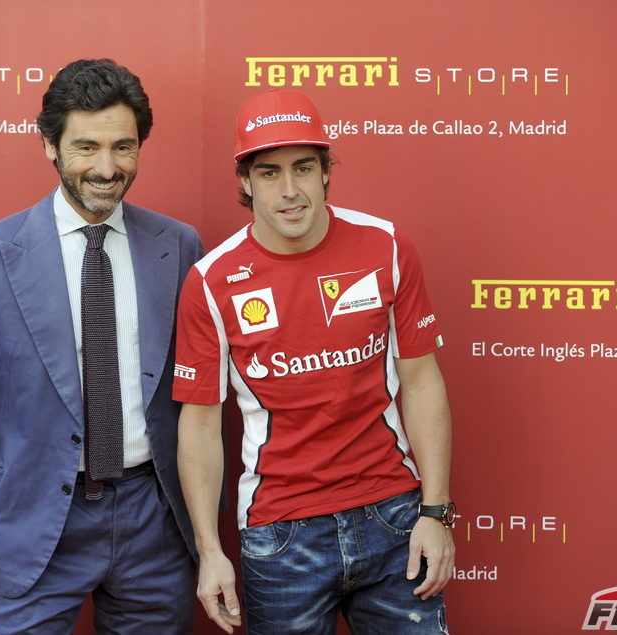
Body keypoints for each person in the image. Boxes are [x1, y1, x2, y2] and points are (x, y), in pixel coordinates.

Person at [0, 58, 203, 633]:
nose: (107, 168)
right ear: (50, 146)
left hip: (153, 521)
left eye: (123, 147)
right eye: (86, 147)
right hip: (33, 523)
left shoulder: (178, 246)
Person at [174, 88, 456, 634]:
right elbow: (201, 424)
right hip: (282, 537)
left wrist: (436, 511)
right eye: (268, 172)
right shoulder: (211, 280)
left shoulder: (386, 246)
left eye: (304, 167)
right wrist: (210, 551)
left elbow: (421, 383)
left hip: (393, 516)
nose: (289, 190)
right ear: (244, 182)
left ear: (326, 171)